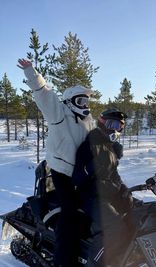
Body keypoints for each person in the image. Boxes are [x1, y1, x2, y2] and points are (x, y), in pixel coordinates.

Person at [17, 59, 94, 267]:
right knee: (70, 214)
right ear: (70, 101)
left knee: (93, 208)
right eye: (81, 102)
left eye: (87, 102)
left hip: (82, 173)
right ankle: (63, 261)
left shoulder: (88, 121)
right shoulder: (60, 114)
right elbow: (44, 94)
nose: (85, 106)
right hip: (62, 172)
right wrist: (31, 72)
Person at [72, 108, 134, 266]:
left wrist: (123, 188)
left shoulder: (110, 147)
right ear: (101, 123)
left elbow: (113, 174)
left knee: (137, 215)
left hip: (109, 194)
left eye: (119, 126)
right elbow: (77, 178)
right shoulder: (89, 144)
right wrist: (91, 167)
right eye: (111, 123)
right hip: (91, 196)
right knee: (115, 227)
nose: (115, 128)